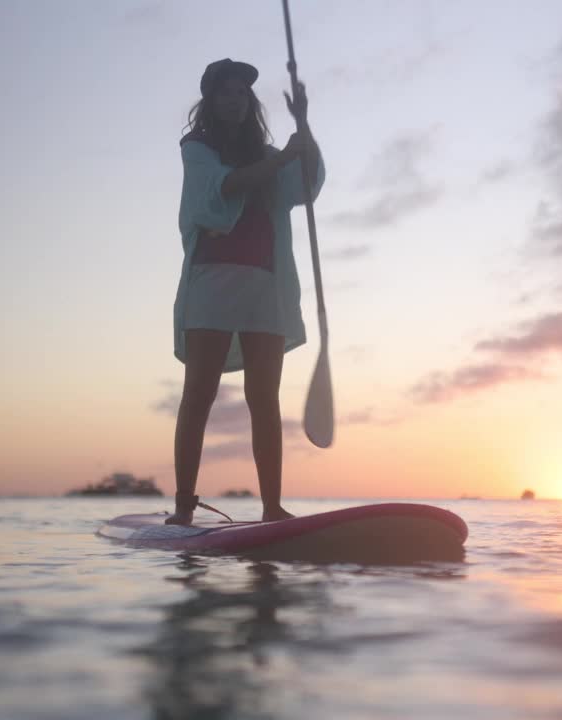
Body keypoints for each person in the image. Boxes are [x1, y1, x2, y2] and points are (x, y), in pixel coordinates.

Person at [167, 58, 323, 525]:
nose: (235, 100)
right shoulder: (196, 147)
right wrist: (281, 158)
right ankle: (183, 508)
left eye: (241, 93)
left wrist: (303, 125)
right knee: (199, 394)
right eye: (226, 93)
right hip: (212, 281)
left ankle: (272, 507)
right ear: (211, 100)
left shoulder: (267, 150)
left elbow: (305, 185)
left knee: (264, 399)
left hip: (265, 284)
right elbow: (226, 186)